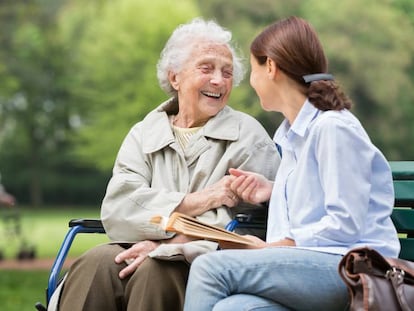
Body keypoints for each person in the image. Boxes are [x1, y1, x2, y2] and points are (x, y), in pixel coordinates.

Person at [57, 18, 280, 311]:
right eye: (206, 68)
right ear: (175, 78)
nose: (219, 80)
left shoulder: (248, 136)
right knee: (94, 264)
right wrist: (200, 200)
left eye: (227, 73)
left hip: (206, 260)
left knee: (156, 270)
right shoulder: (144, 133)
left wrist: (170, 245)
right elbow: (118, 208)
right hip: (137, 245)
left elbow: (259, 224)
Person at [183, 16, 400, 311]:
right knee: (233, 308)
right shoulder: (291, 135)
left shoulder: (333, 128)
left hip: (350, 269)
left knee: (210, 268)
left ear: (270, 66)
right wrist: (273, 189)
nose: (251, 82)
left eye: (254, 70)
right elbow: (324, 194)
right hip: (313, 268)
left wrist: (278, 247)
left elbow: (345, 223)